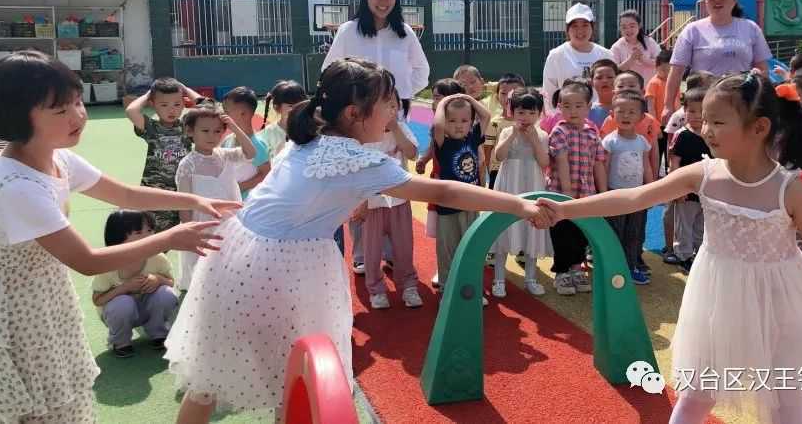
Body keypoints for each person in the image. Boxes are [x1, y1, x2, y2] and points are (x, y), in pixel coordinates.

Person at [166, 59, 545, 422]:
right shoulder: (350, 156)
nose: (393, 113)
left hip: (240, 252)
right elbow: (445, 191)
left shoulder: (309, 135)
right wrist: (518, 204)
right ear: (353, 113)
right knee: (292, 374)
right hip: (283, 266)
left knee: (213, 377)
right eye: (386, 105)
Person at [536, 72, 802, 424]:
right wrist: (565, 208)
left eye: (717, 121)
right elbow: (634, 197)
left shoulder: (790, 190)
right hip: (720, 300)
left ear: (758, 128)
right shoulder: (704, 174)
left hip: (782, 306)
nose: (705, 130)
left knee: (786, 405)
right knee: (698, 394)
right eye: (705, 120)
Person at [0, 51, 230, 424]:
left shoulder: (54, 156)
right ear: (17, 118)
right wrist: (169, 237)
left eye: (77, 102)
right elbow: (88, 261)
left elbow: (125, 195)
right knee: (34, 397)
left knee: (60, 383)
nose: (78, 116)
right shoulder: (17, 186)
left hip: (40, 291)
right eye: (60, 110)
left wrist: (192, 197)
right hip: (12, 305)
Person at [662, 0, 772, 125]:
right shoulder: (692, 30)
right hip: (703, 102)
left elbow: (762, 69)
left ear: (734, 0)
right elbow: (676, 71)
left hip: (740, 102)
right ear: (705, 2)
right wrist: (668, 106)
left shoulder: (751, 28)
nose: (717, 0)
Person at [321, 0, 430, 113]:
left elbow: (422, 71)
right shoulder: (348, 31)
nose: (384, 1)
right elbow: (329, 71)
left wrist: (401, 94)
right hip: (359, 115)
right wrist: (352, 98)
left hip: (395, 116)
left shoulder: (405, 33)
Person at [175, 103, 257, 290]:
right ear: (190, 131)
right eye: (205, 130)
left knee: (230, 265)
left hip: (230, 222)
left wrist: (235, 128)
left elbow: (250, 153)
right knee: (202, 270)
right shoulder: (188, 165)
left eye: (218, 131)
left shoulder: (225, 155)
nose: (212, 136)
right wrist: (189, 229)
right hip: (203, 224)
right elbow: (184, 203)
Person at [354, 93, 421, 309]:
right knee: (371, 250)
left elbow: (411, 153)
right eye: (385, 106)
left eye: (394, 106)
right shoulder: (364, 132)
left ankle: (409, 287)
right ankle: (376, 290)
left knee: (403, 247)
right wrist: (362, 202)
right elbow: (358, 171)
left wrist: (395, 127)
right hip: (372, 204)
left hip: (399, 200)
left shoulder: (400, 128)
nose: (390, 110)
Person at [546, 78, 607, 295]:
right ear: (559, 107)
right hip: (562, 192)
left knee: (581, 232)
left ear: (589, 107)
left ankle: (576, 268)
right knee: (562, 231)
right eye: (567, 106)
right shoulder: (559, 131)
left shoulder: (592, 133)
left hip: (586, 192)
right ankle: (562, 271)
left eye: (579, 106)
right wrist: (567, 193)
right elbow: (561, 162)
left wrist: (604, 192)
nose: (573, 111)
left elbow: (598, 163)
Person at [490, 88, 552, 297]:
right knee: (504, 231)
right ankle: (499, 280)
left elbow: (544, 162)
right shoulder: (507, 132)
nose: (526, 118)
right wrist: (513, 135)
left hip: (533, 186)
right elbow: (499, 156)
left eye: (531, 113)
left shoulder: (542, 135)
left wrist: (534, 140)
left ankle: (531, 278)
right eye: (521, 113)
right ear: (512, 112)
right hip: (509, 187)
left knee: (532, 228)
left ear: (539, 114)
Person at [92, 210, 178, 358]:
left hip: (148, 308)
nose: (147, 236)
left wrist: (158, 279)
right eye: (138, 232)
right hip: (119, 313)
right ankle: (120, 342)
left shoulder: (157, 257)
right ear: (118, 237)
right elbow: (97, 299)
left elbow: (171, 283)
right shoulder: (108, 264)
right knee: (122, 302)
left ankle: (159, 334)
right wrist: (124, 288)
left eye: (150, 230)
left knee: (166, 294)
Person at [125, 78, 203, 231]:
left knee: (177, 236)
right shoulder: (151, 127)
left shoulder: (187, 126)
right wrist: (149, 94)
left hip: (183, 193)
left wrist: (185, 89)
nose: (171, 110)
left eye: (177, 104)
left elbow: (209, 107)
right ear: (153, 104)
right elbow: (131, 111)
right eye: (164, 105)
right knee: (151, 236)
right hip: (154, 196)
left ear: (183, 104)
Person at [433, 93, 491, 292]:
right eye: (452, 120)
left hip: (470, 204)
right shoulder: (443, 143)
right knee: (447, 250)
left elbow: (486, 116)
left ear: (471, 122)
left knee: (471, 248)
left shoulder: (473, 138)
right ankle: (446, 288)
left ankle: (471, 286)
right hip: (448, 205)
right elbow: (438, 127)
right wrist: (443, 102)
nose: (459, 125)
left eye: (464, 120)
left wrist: (466, 97)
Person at [602, 90, 653, 284]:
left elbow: (646, 166)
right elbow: (604, 167)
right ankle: (613, 267)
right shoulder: (610, 141)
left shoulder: (642, 142)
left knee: (634, 233)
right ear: (612, 114)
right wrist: (604, 191)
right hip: (615, 194)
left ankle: (631, 267)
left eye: (632, 112)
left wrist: (650, 189)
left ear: (641, 117)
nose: (625, 115)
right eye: (621, 111)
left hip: (637, 195)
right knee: (615, 232)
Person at [669, 88, 711, 272]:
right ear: (684, 111)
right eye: (691, 111)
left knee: (702, 225)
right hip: (686, 191)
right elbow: (675, 162)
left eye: (701, 111)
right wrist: (677, 189)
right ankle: (683, 255)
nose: (696, 116)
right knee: (684, 224)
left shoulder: (711, 135)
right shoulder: (683, 135)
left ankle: (699, 254)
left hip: (707, 190)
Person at [542, 3, 614, 104]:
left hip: (600, 117)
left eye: (585, 25)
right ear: (567, 29)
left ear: (592, 27)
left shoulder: (606, 55)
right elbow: (549, 92)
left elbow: (615, 88)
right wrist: (555, 118)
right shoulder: (556, 55)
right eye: (574, 26)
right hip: (567, 116)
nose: (580, 31)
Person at [601, 70, 660, 175]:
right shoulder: (611, 119)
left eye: (631, 85)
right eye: (621, 86)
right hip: (614, 180)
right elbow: (603, 153)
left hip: (641, 178)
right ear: (614, 93)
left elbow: (654, 152)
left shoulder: (650, 120)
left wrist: (654, 177)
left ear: (642, 92)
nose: (626, 89)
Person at [219, 87, 270, 197]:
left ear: (244, 114)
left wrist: (238, 187)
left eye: (227, 111)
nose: (222, 115)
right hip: (230, 201)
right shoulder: (228, 140)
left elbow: (266, 173)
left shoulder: (256, 143)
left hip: (248, 203)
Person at [485, 73, 526, 189]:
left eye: (513, 93)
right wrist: (489, 172)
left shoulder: (528, 122)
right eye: (503, 93)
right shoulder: (493, 123)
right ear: (497, 95)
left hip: (521, 171)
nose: (508, 97)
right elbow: (487, 150)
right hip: (498, 171)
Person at [257, 79, 307, 161]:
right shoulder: (265, 136)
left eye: (300, 104)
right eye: (291, 106)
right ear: (277, 108)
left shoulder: (313, 130)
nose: (297, 109)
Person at [612, 9, 661, 83]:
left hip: (650, 87)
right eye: (624, 27)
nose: (628, 30)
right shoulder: (617, 46)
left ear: (639, 25)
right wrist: (631, 59)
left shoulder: (649, 42)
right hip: (628, 88)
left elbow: (661, 63)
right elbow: (614, 70)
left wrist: (644, 60)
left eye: (632, 26)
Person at [588, 59, 619, 127]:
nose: (605, 81)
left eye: (610, 77)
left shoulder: (629, 107)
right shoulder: (587, 111)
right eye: (599, 78)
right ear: (591, 82)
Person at [647, 50, 676, 119]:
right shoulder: (653, 83)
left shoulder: (674, 81)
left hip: (673, 120)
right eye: (663, 70)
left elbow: (677, 102)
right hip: (659, 121)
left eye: (669, 70)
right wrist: (654, 122)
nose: (666, 73)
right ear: (656, 67)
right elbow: (651, 107)